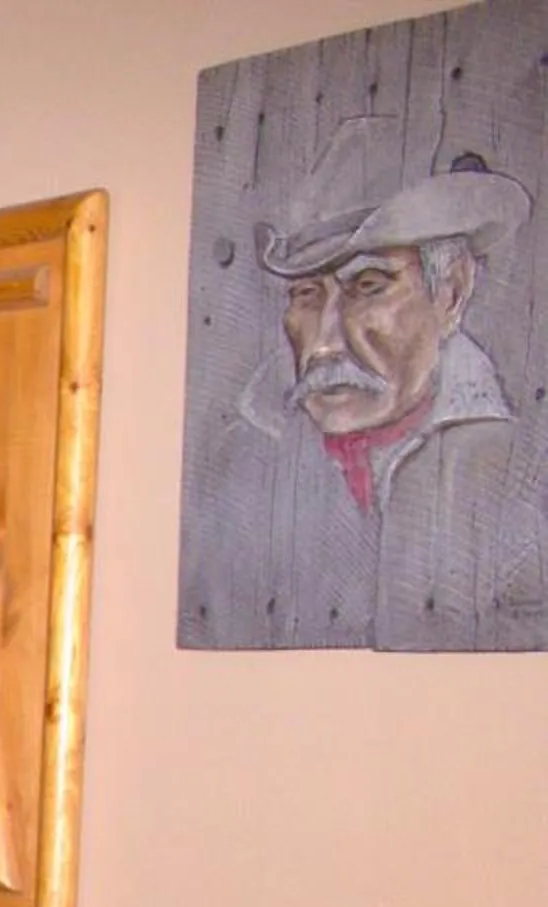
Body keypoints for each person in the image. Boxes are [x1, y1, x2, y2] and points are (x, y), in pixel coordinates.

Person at [180, 118, 548, 650]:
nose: (325, 342)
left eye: (368, 287)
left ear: (452, 293)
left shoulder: (525, 468)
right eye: (306, 295)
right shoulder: (237, 459)